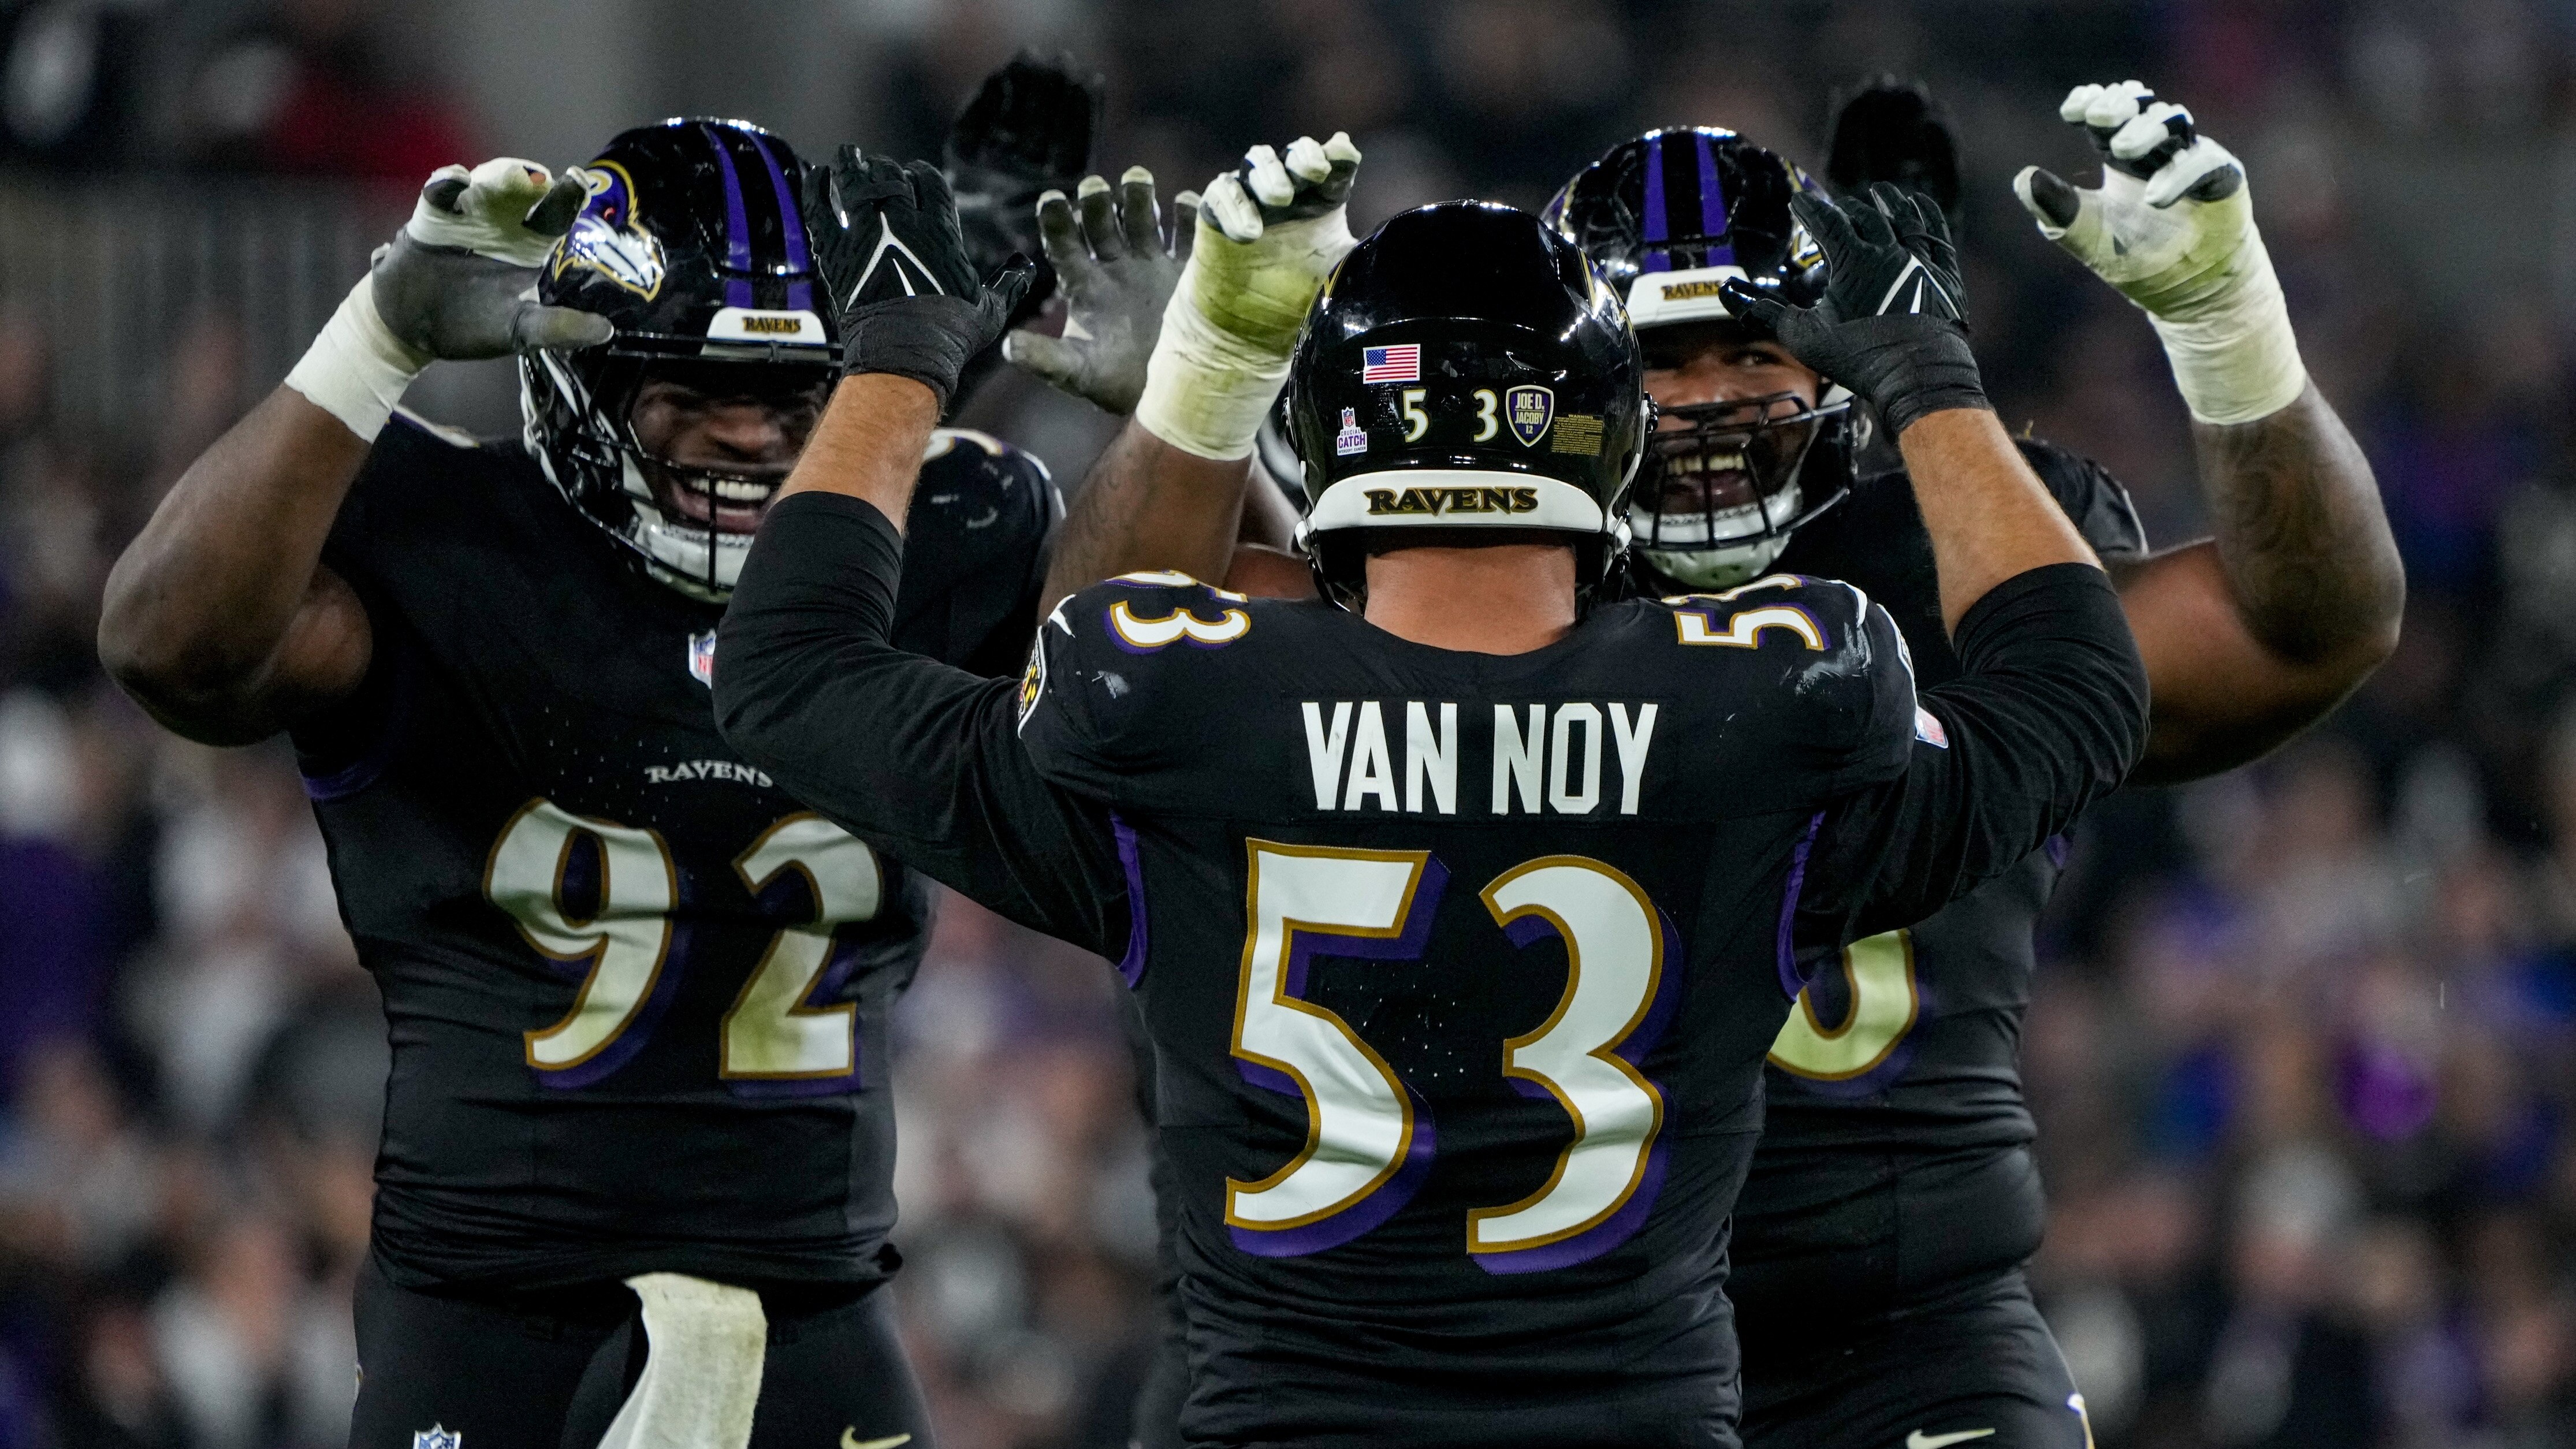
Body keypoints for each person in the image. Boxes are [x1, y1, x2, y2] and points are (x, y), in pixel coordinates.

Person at [714, 123, 2150, 1447]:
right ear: (1611, 439)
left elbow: (778, 674)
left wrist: (902, 353)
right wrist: (1924, 374)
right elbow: (2081, 690)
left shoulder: (1175, 696)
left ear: (1325, 437)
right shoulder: (1759, 700)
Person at [1027, 83, 2402, 1448]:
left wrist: (2231, 335)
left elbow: (2306, 636)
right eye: (1662, 358)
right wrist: (1190, 409)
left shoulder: (1936, 560)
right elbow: (1096, 698)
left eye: (1753, 350)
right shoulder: (1472, 597)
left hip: (1902, 1345)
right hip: (1569, 1365)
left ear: (1838, 362)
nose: (1705, 403)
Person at [95, 117, 1052, 1447]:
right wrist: (374, 340)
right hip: (494, 1311)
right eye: (691, 393)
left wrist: (1198, 395)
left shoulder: (942, 530)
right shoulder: (447, 529)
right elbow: (163, 644)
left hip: (815, 1302)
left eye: (787, 402)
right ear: (585, 385)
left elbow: (1140, 687)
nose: (744, 438)